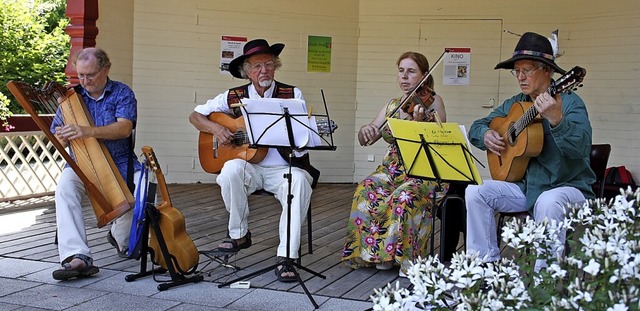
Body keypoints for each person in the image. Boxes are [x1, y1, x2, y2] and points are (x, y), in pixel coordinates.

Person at [188, 38, 318, 283]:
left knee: (300, 181)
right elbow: (195, 116)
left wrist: (302, 138)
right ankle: (239, 234)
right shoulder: (233, 95)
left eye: (268, 64)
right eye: (257, 66)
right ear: (247, 72)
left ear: (276, 67)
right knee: (229, 170)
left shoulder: (291, 93)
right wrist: (216, 129)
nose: (264, 71)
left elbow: (301, 134)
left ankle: (287, 257)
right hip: (250, 167)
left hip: (283, 168)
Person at [465, 32, 595, 270]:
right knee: (476, 191)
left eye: (527, 70)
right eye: (517, 71)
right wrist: (485, 135)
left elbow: (582, 147)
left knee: (548, 200)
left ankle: (544, 281)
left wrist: (557, 120)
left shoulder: (570, 102)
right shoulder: (517, 103)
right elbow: (478, 126)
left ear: (547, 70)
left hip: (567, 187)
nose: (520, 77)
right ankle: (482, 268)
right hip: (527, 187)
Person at [341, 51, 449, 276]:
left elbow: (437, 138)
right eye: (401, 71)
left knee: (405, 196)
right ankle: (377, 254)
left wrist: (419, 123)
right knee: (365, 188)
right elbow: (367, 139)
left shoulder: (433, 102)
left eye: (411, 72)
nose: (404, 77)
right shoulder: (392, 106)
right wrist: (365, 130)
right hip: (392, 170)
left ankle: (405, 259)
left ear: (424, 75)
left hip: (423, 172)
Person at [50, 48, 143, 280]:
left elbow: (124, 128)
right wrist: (61, 136)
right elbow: (56, 135)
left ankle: (119, 236)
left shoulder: (122, 93)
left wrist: (87, 131)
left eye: (90, 75)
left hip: (121, 161)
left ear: (106, 69)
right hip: (80, 163)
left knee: (143, 190)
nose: (85, 80)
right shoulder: (70, 98)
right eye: (80, 75)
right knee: (64, 189)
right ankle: (76, 256)